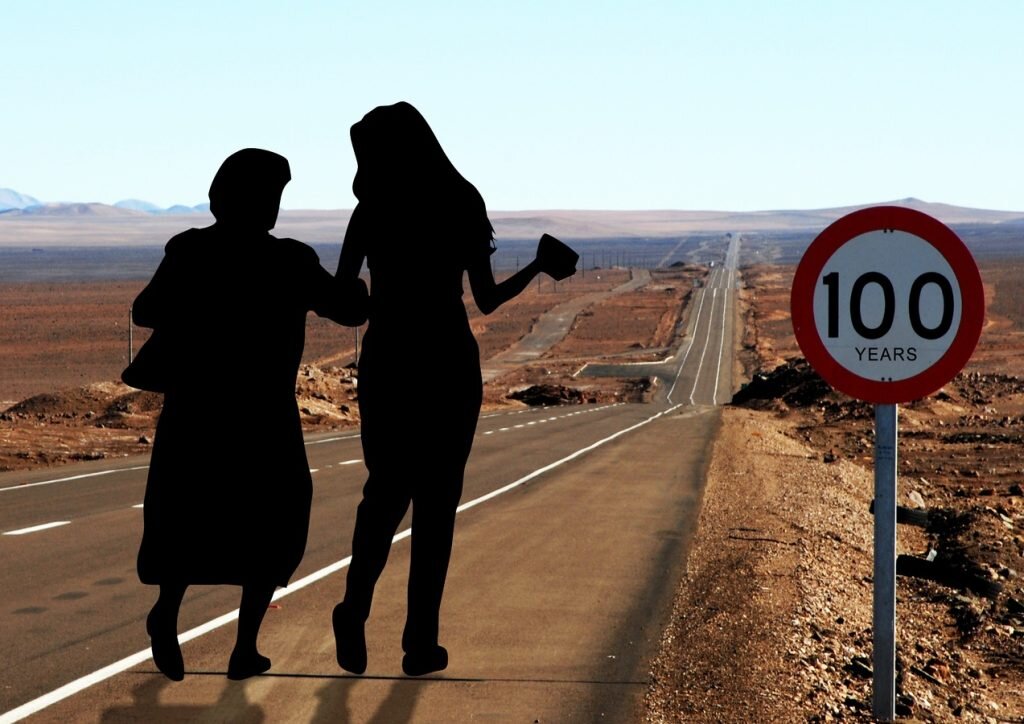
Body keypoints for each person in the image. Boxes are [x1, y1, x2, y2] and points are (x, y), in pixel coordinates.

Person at [332, 101, 575, 676]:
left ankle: (354, 609)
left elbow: (343, 295)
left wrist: (365, 301)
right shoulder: (461, 201)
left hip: (390, 362)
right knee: (437, 504)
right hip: (446, 364)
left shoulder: (371, 209)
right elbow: (486, 299)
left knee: (385, 493)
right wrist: (537, 266)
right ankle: (420, 643)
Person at [133, 148, 367, 681]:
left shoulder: (189, 249)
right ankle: (244, 648)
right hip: (263, 419)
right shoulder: (290, 260)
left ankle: (167, 613)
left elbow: (145, 310)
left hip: (194, 415)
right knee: (271, 521)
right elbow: (349, 309)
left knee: (188, 517)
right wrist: (356, 278)